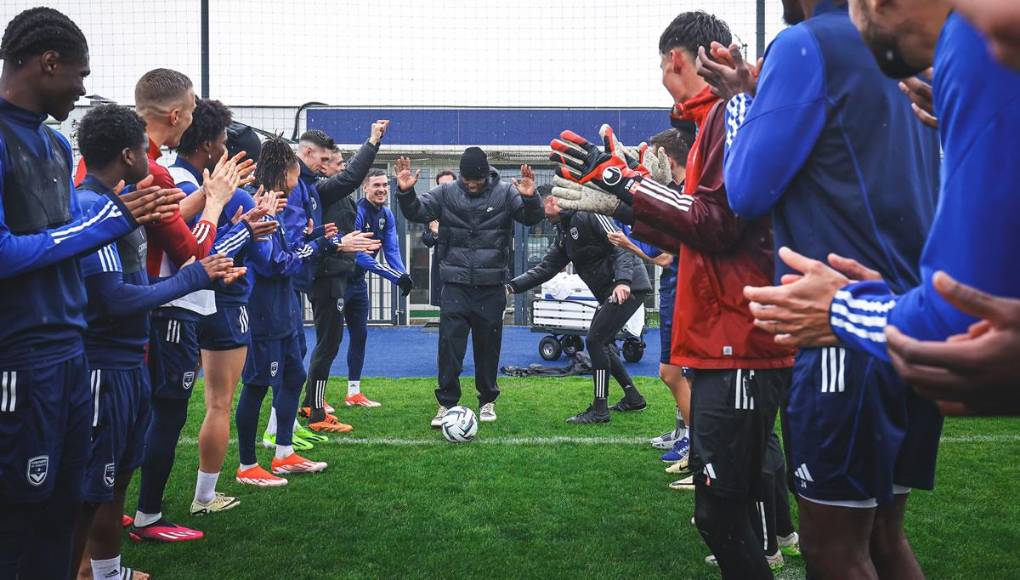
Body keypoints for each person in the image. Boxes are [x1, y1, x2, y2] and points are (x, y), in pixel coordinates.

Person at [698, 0, 943, 577]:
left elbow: (746, 191)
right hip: (910, 319)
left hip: (842, 332)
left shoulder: (806, 42)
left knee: (833, 550)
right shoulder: (908, 48)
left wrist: (739, 101)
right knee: (885, 537)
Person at [548, 11, 796, 578]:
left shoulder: (730, 114)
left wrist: (628, 185)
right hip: (726, 332)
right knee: (724, 505)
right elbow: (700, 225)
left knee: (725, 509)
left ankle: (777, 538)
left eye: (663, 64)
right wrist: (630, 200)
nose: (663, 75)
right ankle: (776, 537)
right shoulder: (715, 118)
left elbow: (719, 222)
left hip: (739, 334)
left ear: (678, 60)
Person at [0, 8, 178, 577]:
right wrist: (108, 223)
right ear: (48, 63)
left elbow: (61, 247)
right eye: (79, 74)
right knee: (21, 524)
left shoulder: (53, 147)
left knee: (68, 509)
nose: (82, 88)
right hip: (22, 362)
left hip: (72, 358)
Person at [70, 104, 243, 580]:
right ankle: (104, 557)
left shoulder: (120, 203)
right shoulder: (94, 207)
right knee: (92, 485)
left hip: (129, 353)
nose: (157, 159)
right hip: (107, 360)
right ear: (129, 155)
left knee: (115, 474)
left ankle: (106, 569)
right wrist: (198, 268)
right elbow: (119, 297)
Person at [130, 69, 251, 544]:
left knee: (151, 413)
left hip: (171, 305)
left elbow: (191, 242)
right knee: (164, 413)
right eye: (222, 139)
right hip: (168, 308)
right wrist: (215, 198)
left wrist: (234, 220)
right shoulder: (167, 173)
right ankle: (147, 515)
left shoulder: (166, 170)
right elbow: (188, 246)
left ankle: (130, 515)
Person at [235, 138, 377, 486]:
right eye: (297, 172)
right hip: (264, 308)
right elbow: (275, 264)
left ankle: (284, 453)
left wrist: (316, 240)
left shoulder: (280, 205)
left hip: (285, 304)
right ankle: (247, 465)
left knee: (295, 375)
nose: (301, 180)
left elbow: (293, 250)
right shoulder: (264, 209)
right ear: (287, 172)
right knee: (256, 385)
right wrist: (324, 244)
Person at [169, 98, 277, 517]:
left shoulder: (183, 181)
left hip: (182, 298)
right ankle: (204, 496)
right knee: (217, 402)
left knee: (165, 406)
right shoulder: (225, 195)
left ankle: (139, 507)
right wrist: (252, 226)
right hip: (218, 300)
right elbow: (215, 250)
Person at [396, 148, 542, 427]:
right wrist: (405, 193)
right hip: (455, 285)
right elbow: (417, 211)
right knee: (449, 348)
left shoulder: (505, 192)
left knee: (488, 347)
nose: (472, 184)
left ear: (486, 174)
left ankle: (487, 400)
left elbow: (531, 218)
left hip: (491, 285)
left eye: (477, 180)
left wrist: (530, 196)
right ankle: (446, 404)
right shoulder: (447, 192)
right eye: (467, 180)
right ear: (461, 175)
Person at [508, 193, 649, 423]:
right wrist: (511, 287)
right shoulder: (564, 232)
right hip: (609, 292)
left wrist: (623, 281)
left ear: (553, 200)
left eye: (541, 206)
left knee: (596, 341)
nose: (541, 214)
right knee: (604, 344)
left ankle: (600, 409)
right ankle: (633, 398)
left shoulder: (588, 213)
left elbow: (620, 245)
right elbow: (545, 269)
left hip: (628, 285)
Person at [298, 122, 389, 432]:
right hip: (326, 277)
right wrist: (373, 141)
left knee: (329, 341)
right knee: (327, 343)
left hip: (336, 275)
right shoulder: (322, 190)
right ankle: (316, 411)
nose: (335, 167)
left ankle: (313, 403)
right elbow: (352, 177)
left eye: (331, 161)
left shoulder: (332, 196)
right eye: (330, 162)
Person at [338, 168, 414, 408]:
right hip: (337, 282)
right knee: (328, 341)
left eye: (384, 185)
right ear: (365, 188)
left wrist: (403, 274)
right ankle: (312, 398)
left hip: (358, 283)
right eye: (376, 185)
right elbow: (358, 255)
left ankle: (354, 393)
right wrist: (393, 277)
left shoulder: (387, 214)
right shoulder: (357, 212)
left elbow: (391, 250)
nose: (381, 189)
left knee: (360, 335)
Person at [422, 170, 456, 307]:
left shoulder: (468, 206)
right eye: (442, 185)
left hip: (464, 264)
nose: (446, 188)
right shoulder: (432, 210)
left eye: (449, 184)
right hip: (442, 265)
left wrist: (441, 232)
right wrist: (435, 234)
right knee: (446, 309)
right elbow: (427, 240)